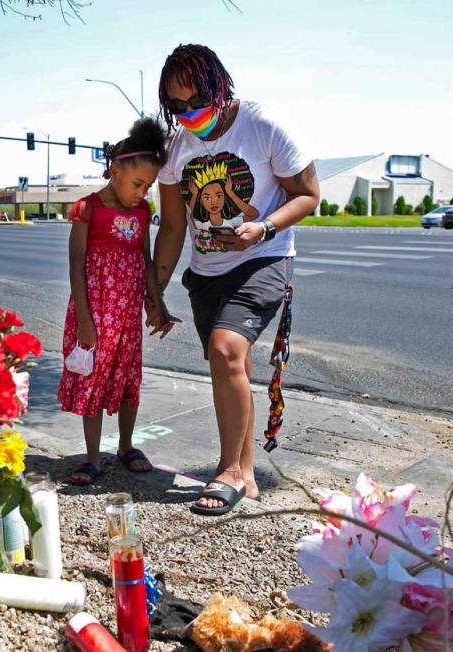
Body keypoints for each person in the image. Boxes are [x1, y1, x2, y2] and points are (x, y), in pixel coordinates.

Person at [150, 44, 319, 515]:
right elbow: (174, 225)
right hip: (206, 272)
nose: (187, 115)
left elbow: (308, 195)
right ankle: (245, 475)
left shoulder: (264, 127)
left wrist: (262, 227)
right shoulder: (177, 148)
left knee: (226, 351)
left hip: (263, 258)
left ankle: (225, 471)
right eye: (176, 106)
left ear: (219, 89)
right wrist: (156, 291)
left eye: (195, 102)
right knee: (233, 369)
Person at [58, 117, 179, 485]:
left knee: (129, 377)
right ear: (114, 170)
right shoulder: (87, 208)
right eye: (138, 183)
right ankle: (92, 458)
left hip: (126, 314)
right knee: (92, 379)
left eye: (149, 187)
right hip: (94, 311)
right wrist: (84, 319)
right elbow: (76, 264)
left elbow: (144, 259)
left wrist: (156, 302)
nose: (142, 193)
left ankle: (127, 446)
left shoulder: (141, 212)